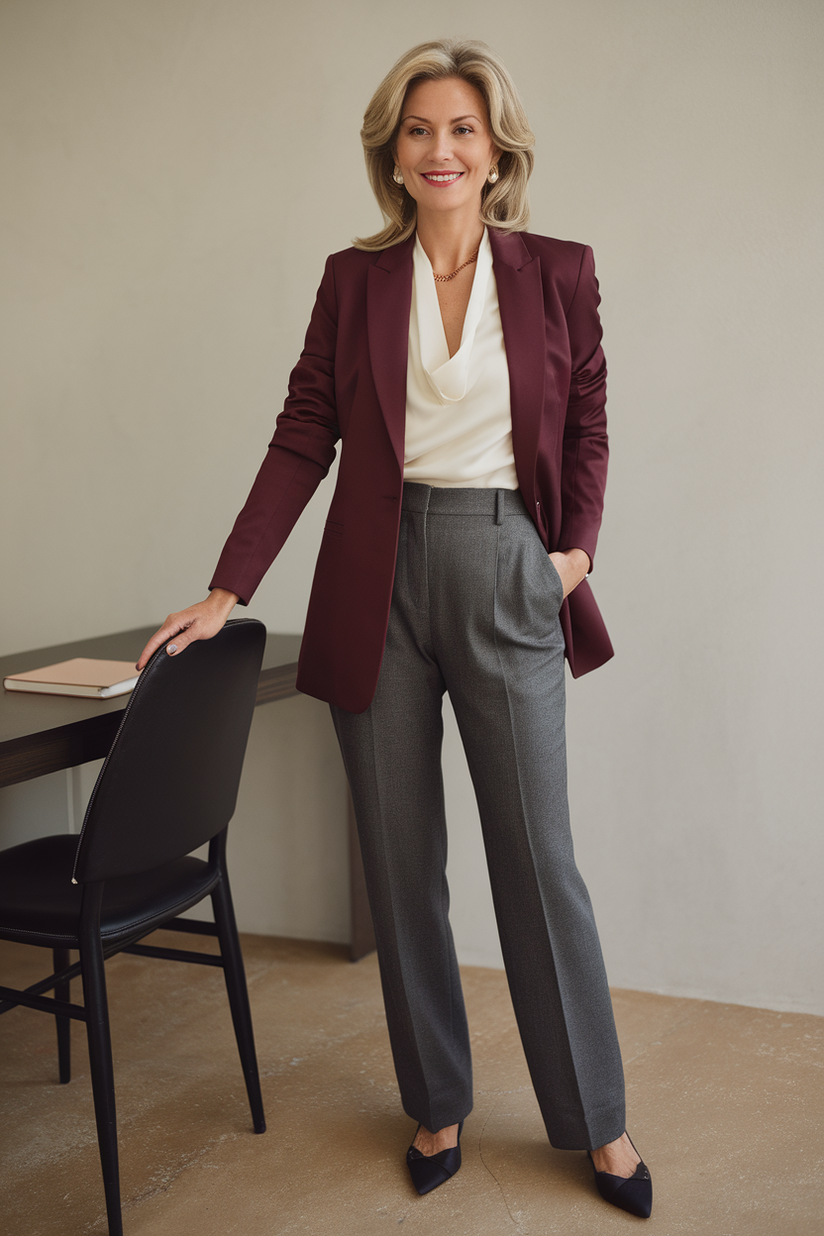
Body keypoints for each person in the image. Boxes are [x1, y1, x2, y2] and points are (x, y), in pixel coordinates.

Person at [137, 38, 652, 1219]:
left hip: (508, 569)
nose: (440, 149)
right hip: (374, 579)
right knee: (400, 862)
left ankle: (596, 1118)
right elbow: (301, 431)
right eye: (418, 130)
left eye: (461, 128)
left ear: (495, 147)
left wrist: (569, 555)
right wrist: (230, 583)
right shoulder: (353, 279)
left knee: (538, 862)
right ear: (392, 150)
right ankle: (436, 1098)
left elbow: (588, 423)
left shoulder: (556, 271)